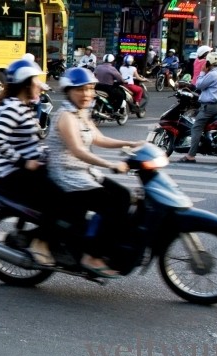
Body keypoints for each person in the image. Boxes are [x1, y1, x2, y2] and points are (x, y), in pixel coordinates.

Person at [46, 67, 146, 278]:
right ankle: (91, 255)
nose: (87, 94)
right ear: (69, 92)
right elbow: (78, 151)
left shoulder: (82, 113)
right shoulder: (65, 116)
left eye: (90, 89)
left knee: (124, 196)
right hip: (67, 175)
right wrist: (110, 165)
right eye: (80, 90)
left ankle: (104, 245)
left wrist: (130, 143)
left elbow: (99, 138)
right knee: (114, 205)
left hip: (84, 172)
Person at [0, 59, 59, 265]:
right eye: (35, 80)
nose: (39, 85)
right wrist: (23, 162)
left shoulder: (24, 106)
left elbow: (31, 143)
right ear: (25, 84)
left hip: (30, 168)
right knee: (59, 198)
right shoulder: (12, 107)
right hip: (15, 173)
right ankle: (40, 242)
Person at [181, 52, 217, 163]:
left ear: (208, 63)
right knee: (204, 126)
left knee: (196, 127)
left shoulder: (212, 74)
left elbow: (199, 85)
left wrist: (202, 71)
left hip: (210, 107)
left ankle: (191, 155)